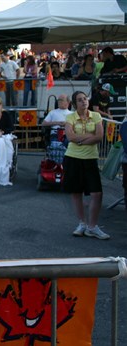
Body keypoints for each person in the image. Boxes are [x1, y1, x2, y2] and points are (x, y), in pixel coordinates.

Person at [64, 91, 109, 240]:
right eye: (80, 100)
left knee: (97, 193)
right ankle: (82, 223)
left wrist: (80, 140)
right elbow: (70, 137)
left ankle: (92, 226)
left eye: (85, 98)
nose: (84, 101)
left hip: (90, 158)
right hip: (73, 157)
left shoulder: (96, 116)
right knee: (76, 192)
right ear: (75, 103)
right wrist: (89, 136)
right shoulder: (70, 117)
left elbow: (99, 136)